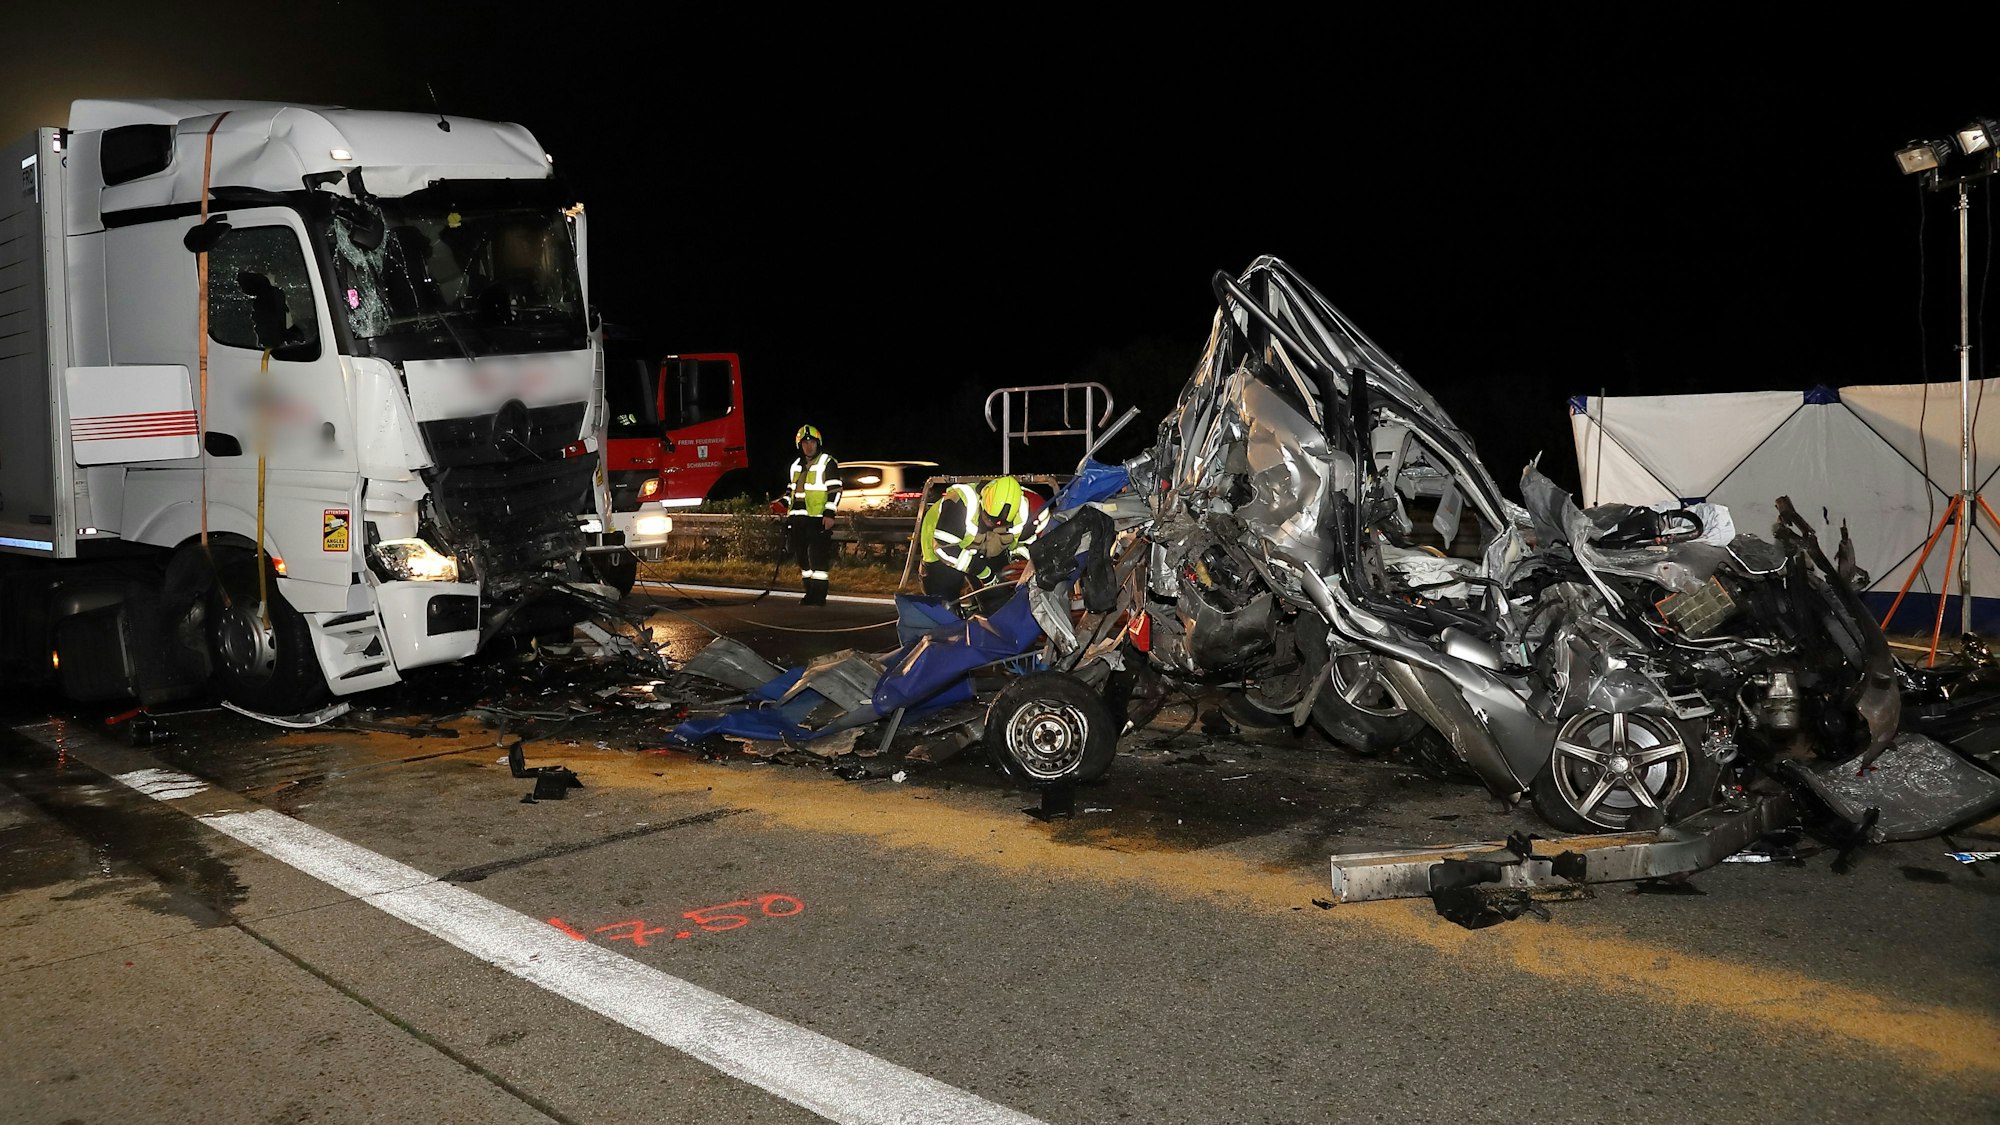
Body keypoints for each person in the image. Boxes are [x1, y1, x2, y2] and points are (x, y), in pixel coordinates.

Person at [919, 475, 1039, 613]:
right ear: (983, 501)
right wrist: (984, 573)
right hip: (942, 554)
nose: (993, 525)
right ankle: (950, 621)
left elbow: (1024, 545)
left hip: (984, 550)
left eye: (1000, 524)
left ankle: (981, 615)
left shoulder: (1024, 510)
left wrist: (1018, 564)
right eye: (989, 519)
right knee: (944, 610)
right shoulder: (961, 502)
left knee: (999, 605)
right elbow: (945, 550)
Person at [782, 424, 842, 606]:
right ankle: (809, 591)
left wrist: (830, 513)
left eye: (812, 442)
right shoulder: (795, 466)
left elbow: (835, 490)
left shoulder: (827, 462)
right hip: (797, 518)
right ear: (800, 445)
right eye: (805, 443)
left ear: (818, 443)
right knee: (802, 557)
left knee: (817, 558)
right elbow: (791, 491)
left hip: (817, 518)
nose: (808, 446)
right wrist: (781, 504)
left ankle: (819, 595)